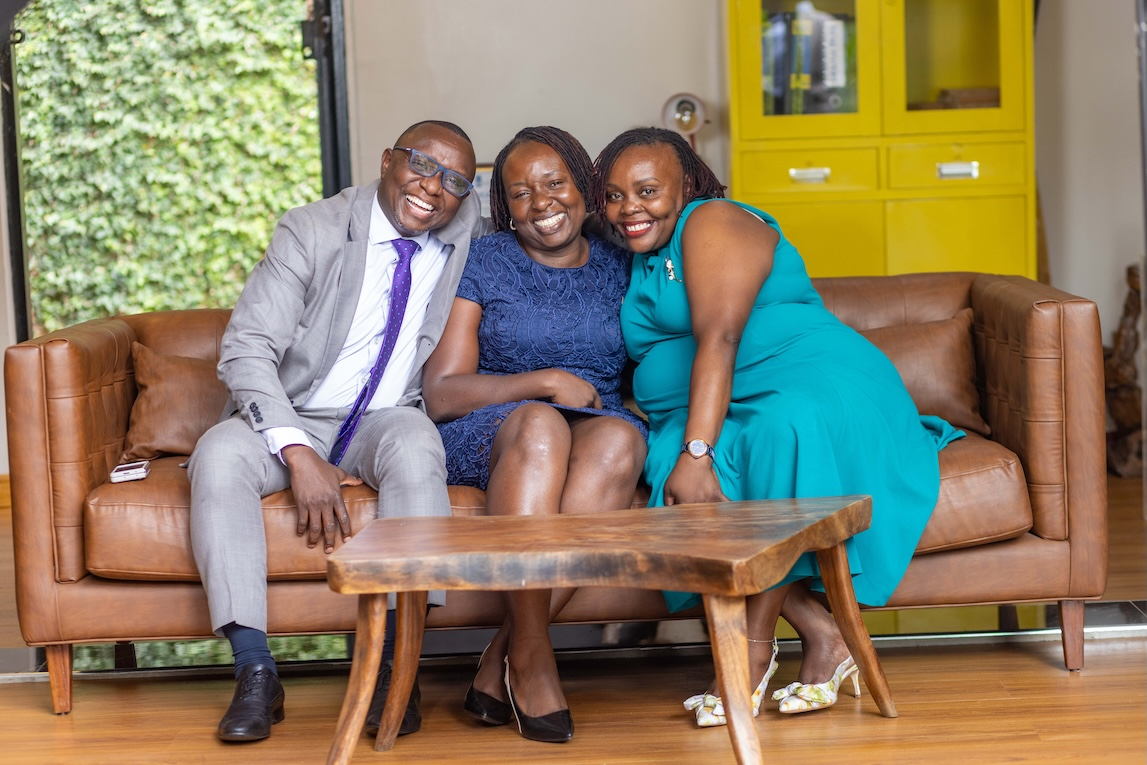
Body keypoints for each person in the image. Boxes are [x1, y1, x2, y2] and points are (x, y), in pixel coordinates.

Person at [594, 127, 963, 725]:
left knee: (776, 435)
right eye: (614, 196)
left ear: (686, 186)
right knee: (678, 476)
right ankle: (826, 635)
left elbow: (721, 337)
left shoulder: (711, 220)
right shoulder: (641, 258)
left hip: (807, 380)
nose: (628, 208)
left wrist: (698, 448)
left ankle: (750, 651)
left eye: (647, 190)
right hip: (716, 406)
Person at [188, 120, 491, 743]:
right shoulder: (312, 229)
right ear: (387, 161)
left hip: (383, 418)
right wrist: (299, 454)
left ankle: (395, 671)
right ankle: (254, 672)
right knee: (218, 454)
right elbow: (246, 348)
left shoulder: (468, 232)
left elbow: (550, 216)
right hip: (295, 410)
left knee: (418, 445)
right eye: (421, 165)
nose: (433, 188)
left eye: (454, 181)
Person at [422, 126, 647, 743]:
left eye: (554, 183)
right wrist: (545, 382)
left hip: (594, 420)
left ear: (584, 188)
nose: (541, 202)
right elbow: (442, 391)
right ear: (505, 207)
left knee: (622, 441)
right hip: (496, 428)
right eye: (520, 193)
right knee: (543, 425)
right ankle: (536, 662)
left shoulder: (621, 264)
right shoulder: (484, 261)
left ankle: (510, 651)